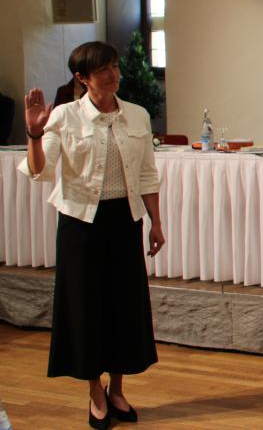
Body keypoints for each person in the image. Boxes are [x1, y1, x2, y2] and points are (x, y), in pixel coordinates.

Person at [19, 41, 164, 429]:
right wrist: (34, 135)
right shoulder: (64, 116)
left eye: (115, 67)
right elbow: (40, 171)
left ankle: (117, 388)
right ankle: (94, 391)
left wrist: (156, 222)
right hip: (81, 225)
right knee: (86, 309)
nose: (114, 75)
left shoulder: (137, 114)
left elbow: (148, 173)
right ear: (82, 78)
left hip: (124, 220)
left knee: (124, 306)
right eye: (104, 70)